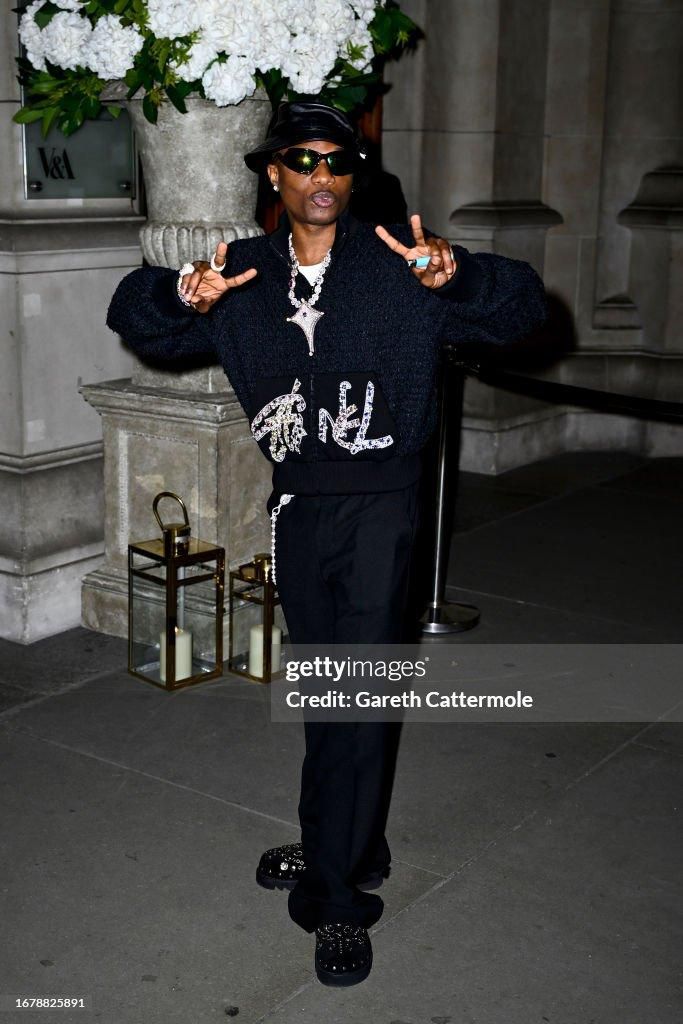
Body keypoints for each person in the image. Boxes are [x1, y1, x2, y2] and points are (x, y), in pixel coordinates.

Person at [106, 100, 549, 988]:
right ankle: (345, 847)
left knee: (350, 694)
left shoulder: (395, 267)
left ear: (353, 177)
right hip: (300, 506)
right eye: (301, 160)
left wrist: (453, 276)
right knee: (329, 691)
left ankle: (338, 900)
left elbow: (524, 308)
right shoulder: (246, 272)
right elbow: (137, 318)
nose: (320, 176)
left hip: (382, 508)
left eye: (337, 162)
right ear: (273, 174)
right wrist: (177, 290)